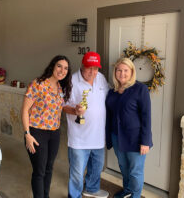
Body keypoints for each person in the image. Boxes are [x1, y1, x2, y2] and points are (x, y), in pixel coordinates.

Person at [21, 55, 72, 198]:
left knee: (49, 168)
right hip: (37, 133)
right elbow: (25, 110)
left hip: (54, 133)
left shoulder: (60, 87)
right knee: (40, 170)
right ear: (52, 66)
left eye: (66, 68)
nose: (62, 70)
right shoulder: (38, 84)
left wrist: (75, 110)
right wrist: (27, 134)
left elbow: (61, 108)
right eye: (59, 66)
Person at [63, 52, 109, 198]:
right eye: (89, 68)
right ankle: (74, 195)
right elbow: (62, 105)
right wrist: (75, 110)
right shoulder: (71, 80)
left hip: (98, 136)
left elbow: (108, 98)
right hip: (79, 138)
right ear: (82, 66)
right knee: (77, 172)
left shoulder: (101, 78)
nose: (92, 72)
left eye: (96, 68)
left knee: (96, 168)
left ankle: (92, 189)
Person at [105, 58, 152, 198]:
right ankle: (127, 191)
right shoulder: (112, 91)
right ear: (115, 72)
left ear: (132, 72)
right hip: (116, 136)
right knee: (124, 168)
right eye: (119, 70)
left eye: (126, 70)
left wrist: (145, 141)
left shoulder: (140, 89)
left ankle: (135, 196)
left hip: (135, 139)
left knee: (135, 171)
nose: (122, 73)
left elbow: (146, 117)